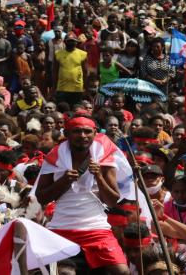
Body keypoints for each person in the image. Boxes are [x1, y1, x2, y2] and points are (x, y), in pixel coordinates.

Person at [35, 115, 130, 274]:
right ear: (66, 133)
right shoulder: (54, 156)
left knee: (122, 271)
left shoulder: (104, 156)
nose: (82, 136)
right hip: (61, 226)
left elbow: (112, 201)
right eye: (77, 131)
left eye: (87, 131)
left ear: (94, 133)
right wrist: (64, 181)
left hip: (96, 227)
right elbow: (42, 197)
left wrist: (99, 176)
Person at [53, 33, 87, 106]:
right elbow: (55, 71)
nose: (71, 43)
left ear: (76, 42)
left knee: (76, 109)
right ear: (64, 42)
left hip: (77, 88)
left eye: (73, 41)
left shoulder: (83, 54)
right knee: (62, 109)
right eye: (69, 41)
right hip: (62, 88)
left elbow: (85, 72)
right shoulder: (58, 53)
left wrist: (85, 87)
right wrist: (54, 88)